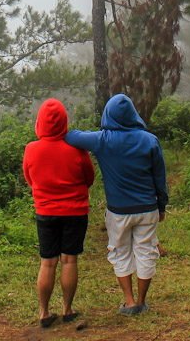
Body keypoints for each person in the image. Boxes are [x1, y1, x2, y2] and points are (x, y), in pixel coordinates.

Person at [66, 93, 168, 316]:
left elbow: (71, 136)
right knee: (146, 251)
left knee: (120, 252)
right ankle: (142, 301)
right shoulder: (150, 140)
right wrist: (162, 206)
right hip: (147, 208)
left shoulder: (102, 140)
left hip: (118, 212)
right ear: (133, 114)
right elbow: (160, 178)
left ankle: (129, 302)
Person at [22, 98, 95, 328]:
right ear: (64, 121)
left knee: (47, 263)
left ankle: (44, 312)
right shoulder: (77, 149)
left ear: (39, 122)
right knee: (69, 260)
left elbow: (29, 179)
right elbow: (89, 178)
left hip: (46, 212)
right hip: (75, 212)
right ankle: (67, 309)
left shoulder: (31, 149)